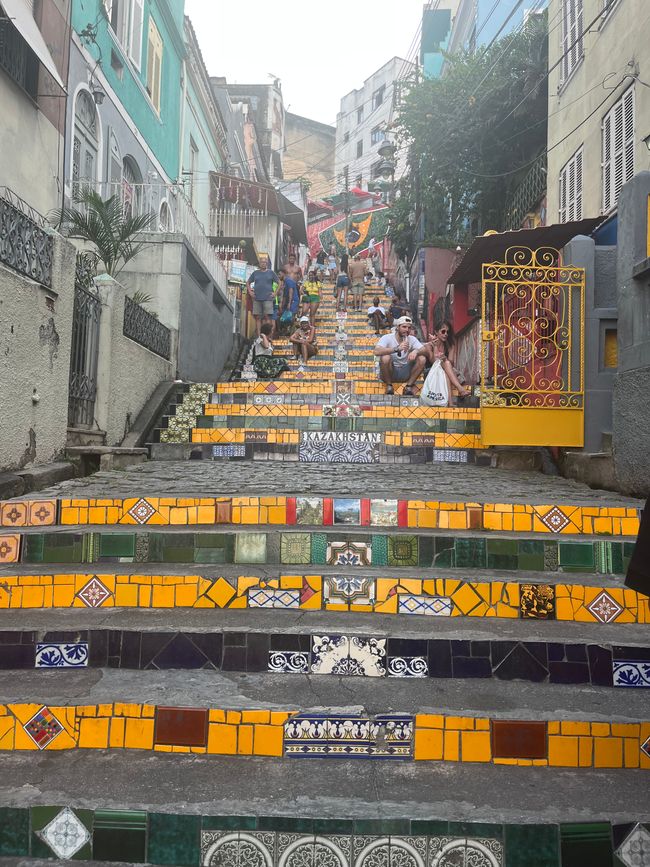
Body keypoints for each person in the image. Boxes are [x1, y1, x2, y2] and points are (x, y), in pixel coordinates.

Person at [419, 320, 471, 401]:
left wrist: (444, 358)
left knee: (446, 367)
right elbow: (433, 362)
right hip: (431, 372)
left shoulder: (450, 345)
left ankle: (450, 403)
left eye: (448, 332)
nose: (446, 334)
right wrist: (435, 347)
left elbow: (451, 363)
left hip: (446, 371)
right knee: (445, 365)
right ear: (436, 332)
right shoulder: (429, 345)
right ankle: (460, 389)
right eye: (443, 331)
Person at [373, 315, 426, 396]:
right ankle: (389, 386)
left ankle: (408, 386)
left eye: (409, 328)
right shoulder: (387, 337)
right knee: (385, 357)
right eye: (404, 327)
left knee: (422, 358)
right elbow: (376, 351)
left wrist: (416, 351)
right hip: (390, 372)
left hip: (406, 372)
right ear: (397, 327)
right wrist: (396, 349)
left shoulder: (412, 339)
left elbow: (425, 350)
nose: (407, 330)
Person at [246, 256, 279, 337]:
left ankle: (268, 335)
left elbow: (279, 283)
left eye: (264, 262)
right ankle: (259, 336)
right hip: (257, 298)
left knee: (268, 318)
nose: (263, 264)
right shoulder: (255, 273)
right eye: (261, 262)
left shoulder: (271, 273)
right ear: (259, 264)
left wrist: (275, 293)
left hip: (268, 298)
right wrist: (250, 292)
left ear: (267, 263)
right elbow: (248, 282)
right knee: (258, 318)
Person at [278, 268, 300, 335]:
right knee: (284, 316)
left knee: (291, 316)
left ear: (284, 274)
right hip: (288, 301)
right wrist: (282, 305)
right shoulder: (284, 282)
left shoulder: (288, 281)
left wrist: (289, 303)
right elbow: (285, 295)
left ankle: (292, 332)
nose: (278, 276)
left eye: (279, 274)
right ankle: (286, 330)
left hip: (293, 301)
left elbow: (291, 291)